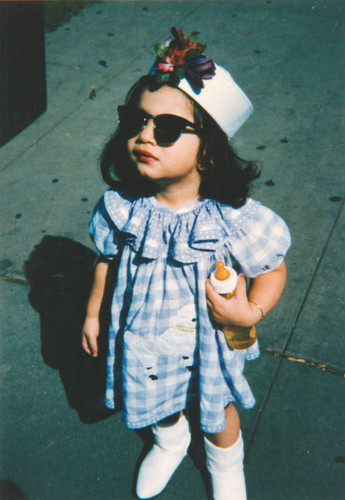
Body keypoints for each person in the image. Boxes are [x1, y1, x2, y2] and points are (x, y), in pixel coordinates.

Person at [82, 28, 291, 500]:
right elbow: (107, 260)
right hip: (142, 335)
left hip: (208, 342)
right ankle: (171, 439)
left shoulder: (230, 220)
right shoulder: (123, 207)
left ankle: (225, 462)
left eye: (168, 128)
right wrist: (94, 313)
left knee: (217, 410)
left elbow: (272, 267)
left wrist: (250, 313)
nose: (144, 136)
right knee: (156, 398)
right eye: (135, 121)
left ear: (210, 150)